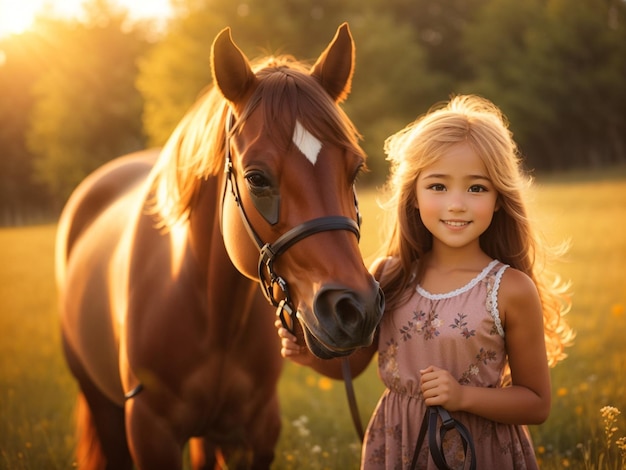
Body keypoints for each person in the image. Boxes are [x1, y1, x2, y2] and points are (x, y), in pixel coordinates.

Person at [276, 94, 574, 469]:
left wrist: (461, 397)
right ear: (413, 195)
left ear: (499, 198)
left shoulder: (509, 289)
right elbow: (352, 366)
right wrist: (308, 354)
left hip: (478, 451)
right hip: (398, 446)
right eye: (437, 186)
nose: (456, 204)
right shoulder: (389, 276)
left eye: (476, 188)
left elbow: (536, 403)